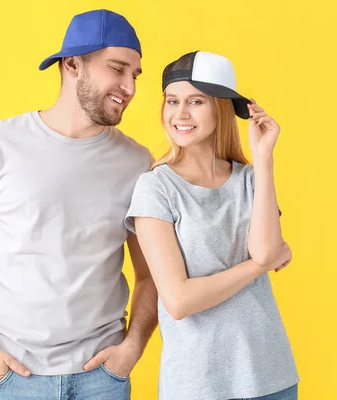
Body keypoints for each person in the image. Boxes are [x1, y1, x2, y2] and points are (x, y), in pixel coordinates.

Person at [0, 9, 158, 400]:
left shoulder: (137, 162)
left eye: (135, 75)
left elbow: (151, 272)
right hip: (8, 380)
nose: (130, 87)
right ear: (72, 65)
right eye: (117, 69)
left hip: (100, 380)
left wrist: (132, 347)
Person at [124, 51, 299, 399]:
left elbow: (265, 249)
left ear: (220, 107)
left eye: (196, 101)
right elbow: (178, 300)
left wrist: (263, 159)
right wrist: (258, 266)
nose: (180, 114)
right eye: (172, 101)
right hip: (199, 385)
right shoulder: (156, 187)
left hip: (272, 375)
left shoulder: (250, 179)